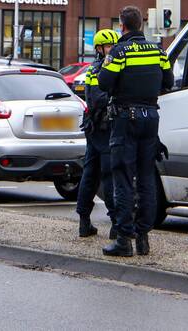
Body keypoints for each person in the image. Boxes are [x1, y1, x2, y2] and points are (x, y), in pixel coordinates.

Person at [98, 6, 173, 257]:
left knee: (123, 179)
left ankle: (123, 239)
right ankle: (143, 238)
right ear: (140, 25)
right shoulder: (157, 50)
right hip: (151, 118)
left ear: (122, 26)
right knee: (146, 179)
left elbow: (104, 82)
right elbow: (168, 81)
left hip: (125, 119)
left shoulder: (120, 51)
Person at [75, 29, 120, 239]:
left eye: (113, 46)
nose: (112, 50)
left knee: (90, 173)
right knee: (105, 174)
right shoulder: (99, 69)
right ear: (100, 49)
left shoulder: (95, 69)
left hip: (94, 127)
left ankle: (85, 222)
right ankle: (114, 222)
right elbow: (96, 98)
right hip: (103, 128)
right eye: (109, 47)